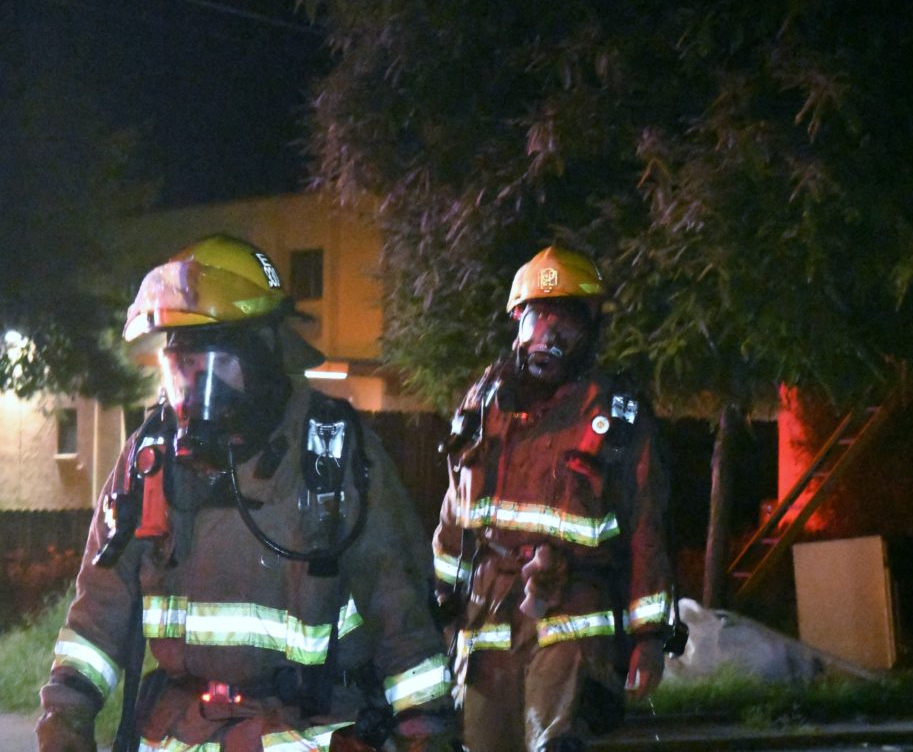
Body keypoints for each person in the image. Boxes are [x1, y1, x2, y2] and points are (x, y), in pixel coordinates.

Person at [37, 235, 454, 751]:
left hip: (307, 733)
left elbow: (400, 615)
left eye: (210, 369)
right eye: (181, 369)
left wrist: (426, 732)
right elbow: (98, 610)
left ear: (261, 360)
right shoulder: (149, 461)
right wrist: (65, 717)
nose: (193, 394)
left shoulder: (332, 452)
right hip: (180, 734)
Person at [432, 246, 673, 751]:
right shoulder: (483, 405)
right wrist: (440, 607)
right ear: (517, 324)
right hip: (487, 619)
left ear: (591, 331)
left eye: (564, 324)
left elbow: (645, 531)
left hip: (571, 617)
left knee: (554, 743)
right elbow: (454, 518)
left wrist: (648, 639)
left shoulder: (616, 418)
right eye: (536, 320)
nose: (547, 338)